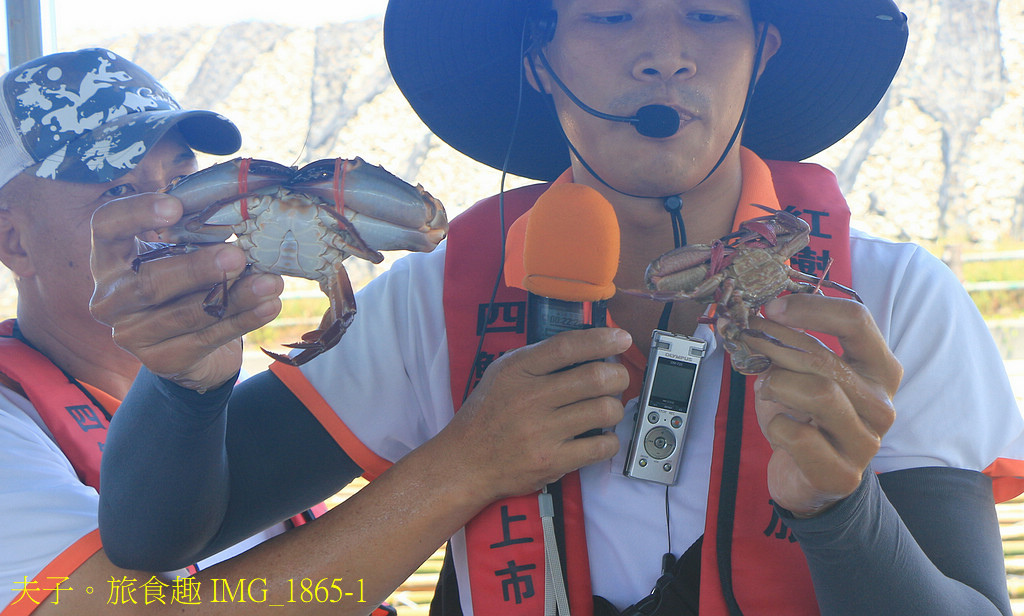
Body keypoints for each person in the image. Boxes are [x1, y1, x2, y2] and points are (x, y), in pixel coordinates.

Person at [89, 0, 1024, 614]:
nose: (665, 56)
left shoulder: (892, 304)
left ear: (764, 52)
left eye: (707, 13)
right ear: (537, 60)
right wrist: (185, 383)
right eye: (613, 14)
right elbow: (154, 538)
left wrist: (840, 507)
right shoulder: (432, 300)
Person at [0, 47, 624, 616]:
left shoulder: (240, 406)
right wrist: (470, 464)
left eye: (183, 179)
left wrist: (196, 390)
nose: (171, 210)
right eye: (118, 189)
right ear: (12, 241)